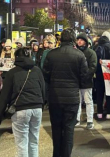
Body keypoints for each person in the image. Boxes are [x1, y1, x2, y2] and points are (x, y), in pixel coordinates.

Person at [0, 47, 45, 157]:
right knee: (34, 141)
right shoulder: (37, 70)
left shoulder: (12, 73)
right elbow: (43, 90)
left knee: (22, 144)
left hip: (21, 109)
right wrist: (41, 106)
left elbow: (4, 96)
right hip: (37, 108)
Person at [43, 29, 88, 157]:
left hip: (55, 97)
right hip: (72, 98)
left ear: (60, 40)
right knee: (69, 129)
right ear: (73, 40)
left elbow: (45, 73)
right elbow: (84, 76)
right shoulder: (79, 55)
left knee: (56, 129)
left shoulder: (52, 54)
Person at [76, 33, 97, 129]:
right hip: (76, 81)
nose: (79, 41)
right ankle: (76, 119)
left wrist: (85, 76)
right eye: (78, 40)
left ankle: (90, 121)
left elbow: (92, 67)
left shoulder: (91, 53)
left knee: (88, 101)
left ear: (85, 41)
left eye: (81, 40)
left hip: (87, 81)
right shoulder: (75, 51)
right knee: (77, 101)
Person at [94, 31, 110, 119]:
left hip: (98, 74)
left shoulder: (96, 47)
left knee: (99, 94)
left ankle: (99, 112)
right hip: (108, 74)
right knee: (109, 93)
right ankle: (109, 112)